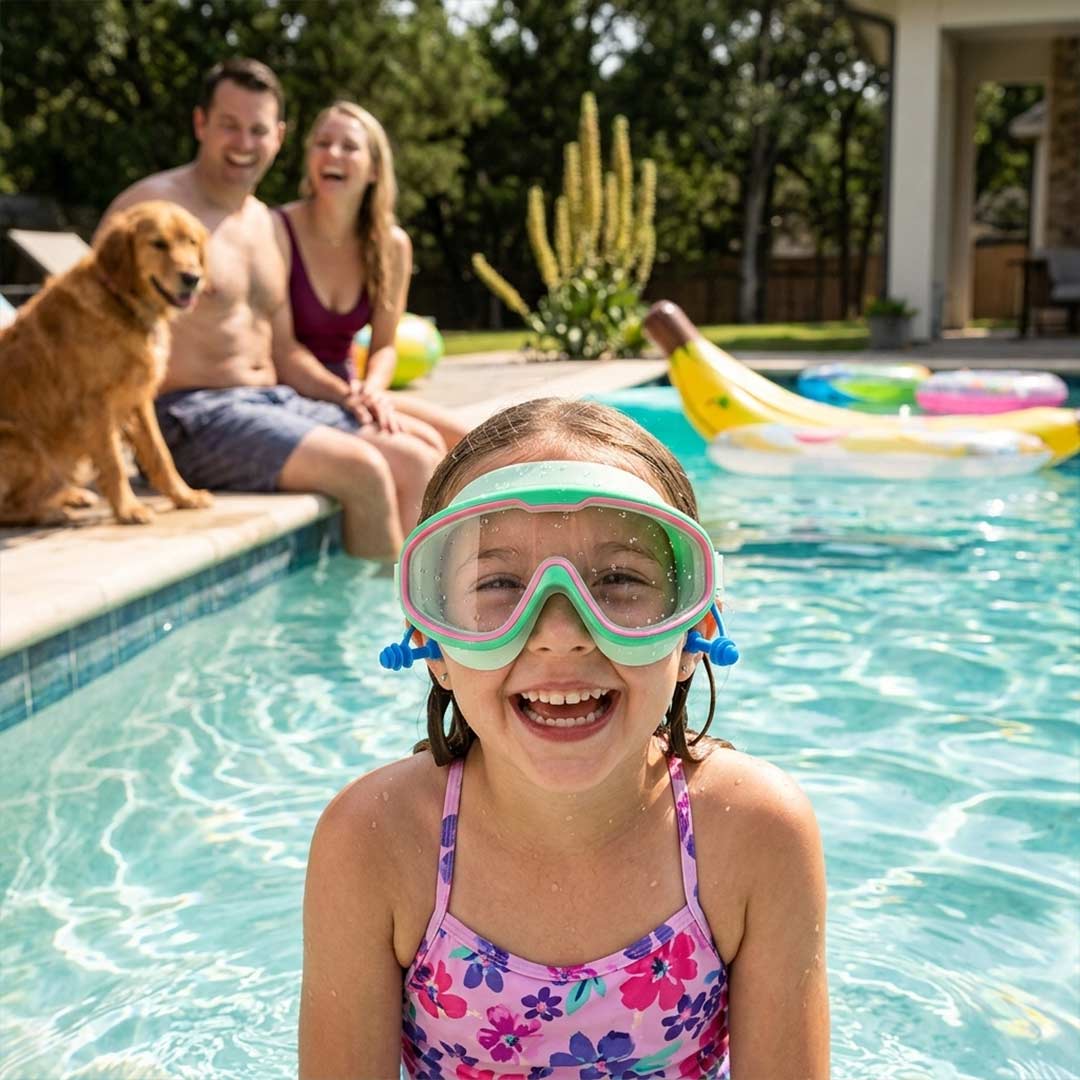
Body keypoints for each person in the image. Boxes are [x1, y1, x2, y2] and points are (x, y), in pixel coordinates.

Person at [299, 398, 830, 1078]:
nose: (560, 629)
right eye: (498, 584)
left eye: (618, 580)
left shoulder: (754, 832)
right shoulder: (375, 841)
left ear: (697, 627)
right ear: (430, 640)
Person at [96, 59, 446, 560]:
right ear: (200, 124)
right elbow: (83, 315)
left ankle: (434, 631)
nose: (243, 143)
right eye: (229, 126)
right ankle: (388, 635)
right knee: (362, 470)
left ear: (278, 137)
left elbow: (283, 347)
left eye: (257, 130)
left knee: (418, 461)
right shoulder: (153, 205)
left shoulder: (265, 224)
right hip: (191, 415)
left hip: (273, 401)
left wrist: (349, 394)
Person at [273, 101, 466, 451]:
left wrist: (373, 390)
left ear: (374, 170)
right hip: (288, 391)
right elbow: (282, 350)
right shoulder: (277, 229)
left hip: (350, 389)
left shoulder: (392, 246)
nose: (333, 153)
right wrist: (349, 395)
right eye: (322, 143)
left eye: (349, 147)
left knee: (471, 443)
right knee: (425, 445)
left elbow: (385, 345)